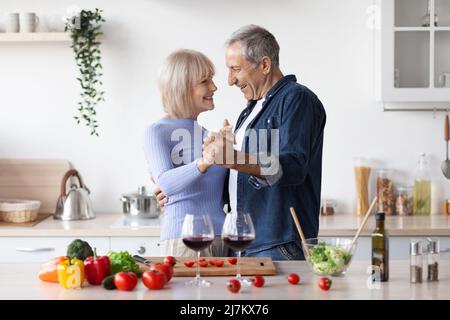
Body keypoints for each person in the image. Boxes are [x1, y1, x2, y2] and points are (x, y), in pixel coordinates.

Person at [156, 25, 326, 260]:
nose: (229, 80)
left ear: (265, 65)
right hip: (243, 243)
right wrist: (184, 192)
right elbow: (242, 179)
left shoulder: (297, 99)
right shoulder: (250, 111)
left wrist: (231, 157)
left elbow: (293, 167)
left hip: (277, 243)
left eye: (236, 69)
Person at [143, 49, 227, 257]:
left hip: (223, 240)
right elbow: (165, 183)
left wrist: (231, 152)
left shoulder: (209, 136)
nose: (214, 87)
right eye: (205, 81)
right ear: (183, 87)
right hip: (185, 241)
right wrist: (205, 161)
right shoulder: (157, 131)